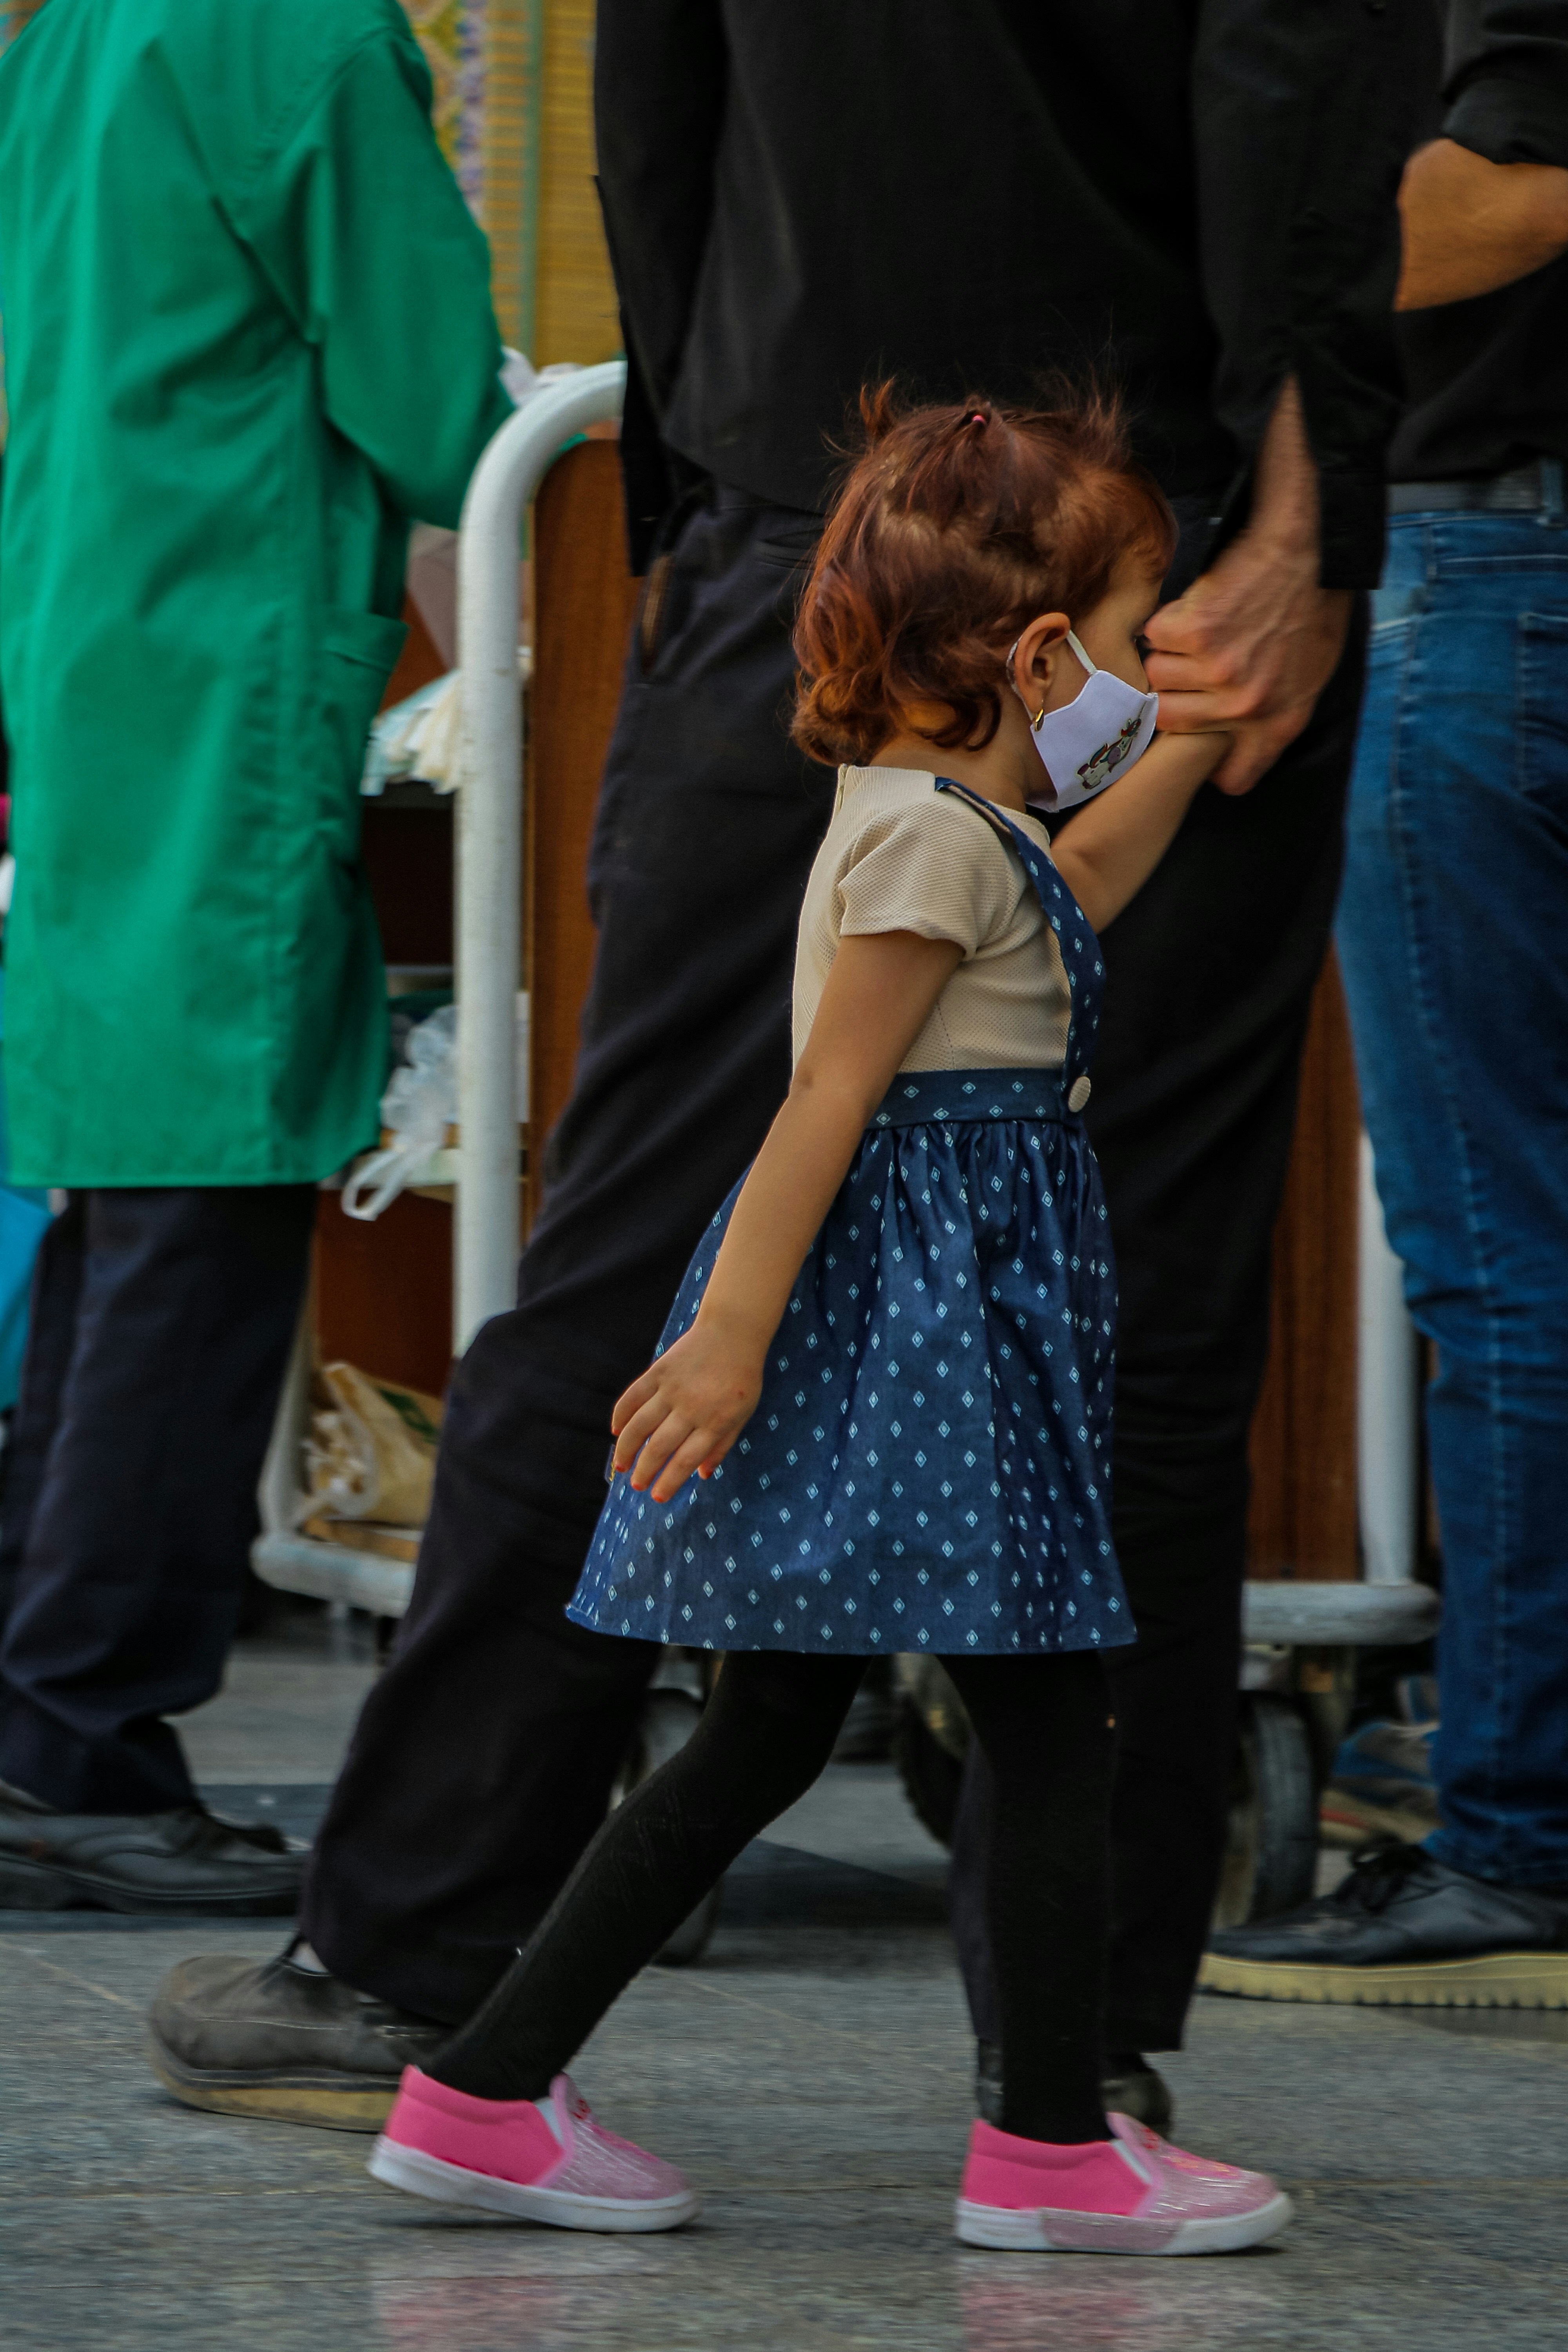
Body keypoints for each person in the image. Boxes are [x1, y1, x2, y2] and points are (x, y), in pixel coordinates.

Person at [149, 2, 1414, 2117]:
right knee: (1125, 1304)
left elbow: (653, 113)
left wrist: (693, 508)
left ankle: (400, 1958)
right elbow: (1302, 106)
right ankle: (1075, 2066)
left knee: (639, 1219)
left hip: (804, 513)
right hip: (1145, 558)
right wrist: (1306, 535)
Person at [363, 389, 1290, 2256]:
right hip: (913, 1326)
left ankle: (480, 2092)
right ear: (1034, 653)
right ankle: (1044, 2149)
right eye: (1123, 638)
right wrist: (729, 1338)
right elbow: (825, 1100)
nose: (1133, 664)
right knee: (1039, 1713)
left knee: (772, 1725)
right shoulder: (926, 845)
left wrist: (1192, 727)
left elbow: (1085, 884)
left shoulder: (960, 823)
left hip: (929, 1316)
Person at [0, 0, 510, 1911]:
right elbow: (435, 402)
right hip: (220, 654)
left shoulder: (74, 35)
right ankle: (80, 1745)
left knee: (127, 1210)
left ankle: (42, 1721)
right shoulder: (295, 32)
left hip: (97, 632)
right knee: (203, 1213)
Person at [1204, 1, 1568, 2004]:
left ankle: (1521, 1837)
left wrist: (1227, 270)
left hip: (1498, 560)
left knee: (1502, 1248)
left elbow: (1514, 187)